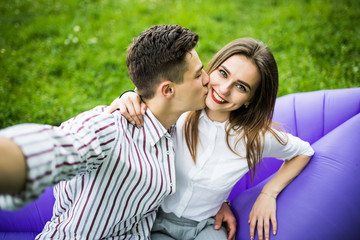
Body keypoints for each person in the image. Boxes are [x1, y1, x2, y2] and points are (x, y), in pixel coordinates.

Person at [0, 24, 210, 239]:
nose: (207, 78)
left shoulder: (176, 126)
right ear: (167, 90)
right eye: (197, 74)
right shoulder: (110, 129)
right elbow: (59, 146)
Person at [110, 38, 315, 240]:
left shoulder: (255, 138)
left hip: (206, 226)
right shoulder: (180, 111)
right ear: (213, 67)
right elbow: (154, 95)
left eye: (241, 87)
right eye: (223, 73)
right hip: (155, 220)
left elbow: (303, 152)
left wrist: (268, 194)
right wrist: (129, 95)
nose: (224, 89)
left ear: (251, 98)